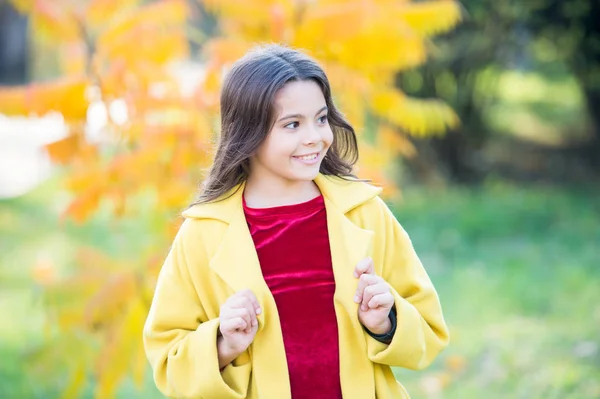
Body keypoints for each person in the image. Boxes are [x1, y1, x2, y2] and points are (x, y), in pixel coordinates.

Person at [143, 43, 449, 399]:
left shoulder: (365, 212)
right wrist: (223, 343)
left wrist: (387, 322)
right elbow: (168, 360)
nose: (314, 137)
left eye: (321, 119)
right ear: (248, 133)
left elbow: (429, 329)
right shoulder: (203, 233)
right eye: (292, 124)